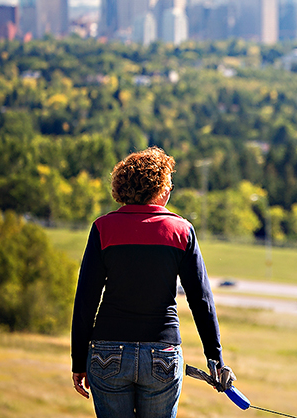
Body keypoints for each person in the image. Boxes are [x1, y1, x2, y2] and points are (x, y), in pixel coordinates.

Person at [71, 146, 233, 417]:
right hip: (163, 354)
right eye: (167, 185)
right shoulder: (182, 231)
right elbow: (201, 300)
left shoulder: (103, 228)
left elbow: (86, 299)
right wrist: (214, 359)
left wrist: (79, 360)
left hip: (107, 352)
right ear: (159, 191)